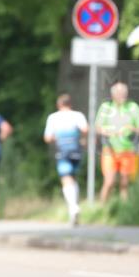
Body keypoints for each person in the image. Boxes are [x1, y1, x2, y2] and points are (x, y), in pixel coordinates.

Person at [97, 81, 139, 202]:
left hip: (127, 149)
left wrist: (133, 129)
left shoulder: (133, 107)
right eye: (120, 93)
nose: (123, 96)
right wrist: (109, 133)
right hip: (109, 149)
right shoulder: (106, 107)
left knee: (125, 182)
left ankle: (124, 211)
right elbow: (98, 128)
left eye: (124, 93)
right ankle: (101, 208)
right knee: (109, 181)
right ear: (113, 95)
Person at [44, 94, 88, 226]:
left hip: (62, 151)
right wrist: (82, 139)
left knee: (66, 178)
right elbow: (85, 129)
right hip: (76, 149)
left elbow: (47, 137)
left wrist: (56, 138)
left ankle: (73, 207)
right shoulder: (78, 115)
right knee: (73, 178)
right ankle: (74, 208)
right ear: (71, 104)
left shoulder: (53, 117)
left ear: (59, 105)